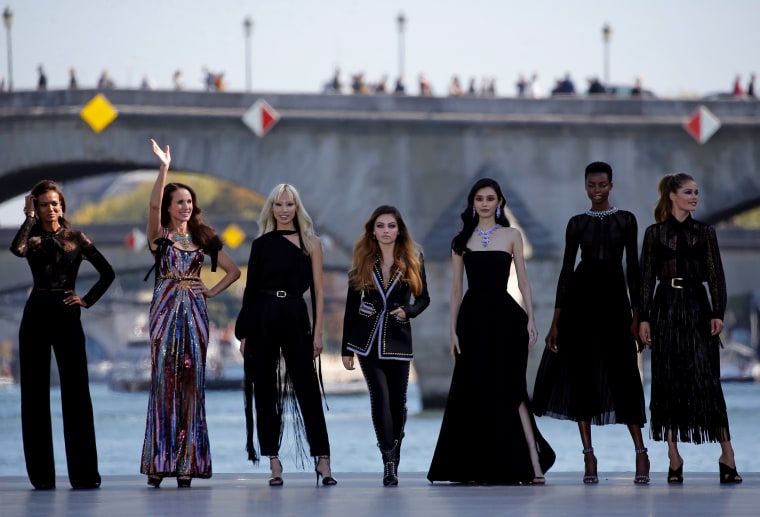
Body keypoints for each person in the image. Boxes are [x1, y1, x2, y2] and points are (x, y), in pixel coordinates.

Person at [427, 178, 555, 485]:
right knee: (473, 390)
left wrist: (532, 320)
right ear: (473, 203)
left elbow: (523, 281)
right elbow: (456, 289)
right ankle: (473, 465)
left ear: (499, 202)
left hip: (507, 318)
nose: (485, 203)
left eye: (490, 198)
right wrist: (452, 331)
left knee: (514, 389)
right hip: (472, 320)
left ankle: (535, 463)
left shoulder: (512, 235)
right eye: (480, 198)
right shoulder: (460, 240)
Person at [532, 161, 649, 484]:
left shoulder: (626, 220)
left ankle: (641, 453)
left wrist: (637, 317)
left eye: (602, 185)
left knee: (624, 375)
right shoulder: (576, 224)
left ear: (611, 185)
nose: (596, 190)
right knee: (581, 378)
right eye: (591, 185)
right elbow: (567, 271)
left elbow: (634, 270)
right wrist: (556, 322)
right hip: (579, 306)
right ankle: (589, 457)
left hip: (614, 304)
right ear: (585, 187)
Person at [140, 139, 240, 488]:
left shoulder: (204, 238)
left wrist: (210, 291)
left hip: (195, 314)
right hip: (164, 312)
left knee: (192, 385)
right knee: (163, 382)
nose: (186, 206)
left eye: (189, 202)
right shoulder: (160, 238)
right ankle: (159, 462)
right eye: (179, 202)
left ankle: (186, 463)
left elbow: (234, 271)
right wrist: (164, 168)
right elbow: (151, 206)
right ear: (169, 207)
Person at [10, 180, 115, 490]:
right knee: (34, 394)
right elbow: (16, 249)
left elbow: (107, 273)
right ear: (36, 208)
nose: (50, 209)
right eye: (44, 204)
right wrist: (28, 218)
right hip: (36, 314)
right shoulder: (31, 238)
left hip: (68, 312)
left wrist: (86, 299)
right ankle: (41, 477)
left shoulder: (76, 238)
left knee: (77, 393)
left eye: (55, 203)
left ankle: (83, 475)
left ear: (62, 206)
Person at [638, 173, 742, 484]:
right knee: (667, 380)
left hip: (698, 308)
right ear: (672, 195)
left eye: (696, 192)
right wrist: (643, 318)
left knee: (707, 380)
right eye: (688, 192)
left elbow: (716, 276)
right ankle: (673, 456)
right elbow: (644, 280)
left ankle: (727, 455)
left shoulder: (705, 232)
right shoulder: (654, 234)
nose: (694, 197)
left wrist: (718, 312)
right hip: (665, 308)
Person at [235, 183, 337, 487]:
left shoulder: (312, 243)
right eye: (278, 205)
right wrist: (244, 334)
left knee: (307, 389)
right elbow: (250, 291)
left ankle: (323, 461)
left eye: (289, 205)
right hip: (263, 315)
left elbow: (319, 291)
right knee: (265, 390)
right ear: (271, 209)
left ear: (297, 208)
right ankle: (274, 462)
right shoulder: (261, 244)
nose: (283, 210)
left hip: (295, 314)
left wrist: (317, 332)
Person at [341, 206, 430, 486]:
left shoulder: (414, 259)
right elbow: (350, 307)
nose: (386, 231)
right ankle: (389, 462)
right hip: (366, 341)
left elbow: (424, 298)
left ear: (399, 229)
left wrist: (409, 311)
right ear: (373, 231)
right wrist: (346, 348)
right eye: (380, 226)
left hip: (398, 340)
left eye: (391, 226)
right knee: (379, 396)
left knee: (398, 403)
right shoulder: (362, 261)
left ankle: (395, 446)